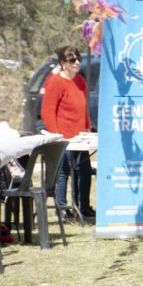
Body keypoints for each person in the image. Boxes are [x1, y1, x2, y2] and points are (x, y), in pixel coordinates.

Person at [41, 45, 94, 218]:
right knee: (64, 171)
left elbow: (83, 107)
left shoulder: (80, 81)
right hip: (63, 136)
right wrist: (57, 135)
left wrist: (87, 126)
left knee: (84, 171)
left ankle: (84, 207)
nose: (77, 62)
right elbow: (48, 111)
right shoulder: (55, 82)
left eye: (78, 59)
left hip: (80, 136)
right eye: (72, 60)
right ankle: (63, 208)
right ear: (63, 62)